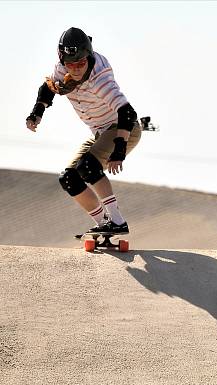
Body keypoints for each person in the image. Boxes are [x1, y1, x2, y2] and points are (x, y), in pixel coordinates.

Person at [25, 27, 141, 234]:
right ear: (63, 60)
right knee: (69, 177)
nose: (76, 69)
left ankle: (117, 221)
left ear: (88, 57)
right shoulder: (62, 69)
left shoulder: (100, 78)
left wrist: (119, 149)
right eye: (71, 64)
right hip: (100, 132)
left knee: (88, 167)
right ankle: (103, 222)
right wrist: (36, 113)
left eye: (81, 63)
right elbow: (48, 88)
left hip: (124, 128)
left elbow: (128, 113)